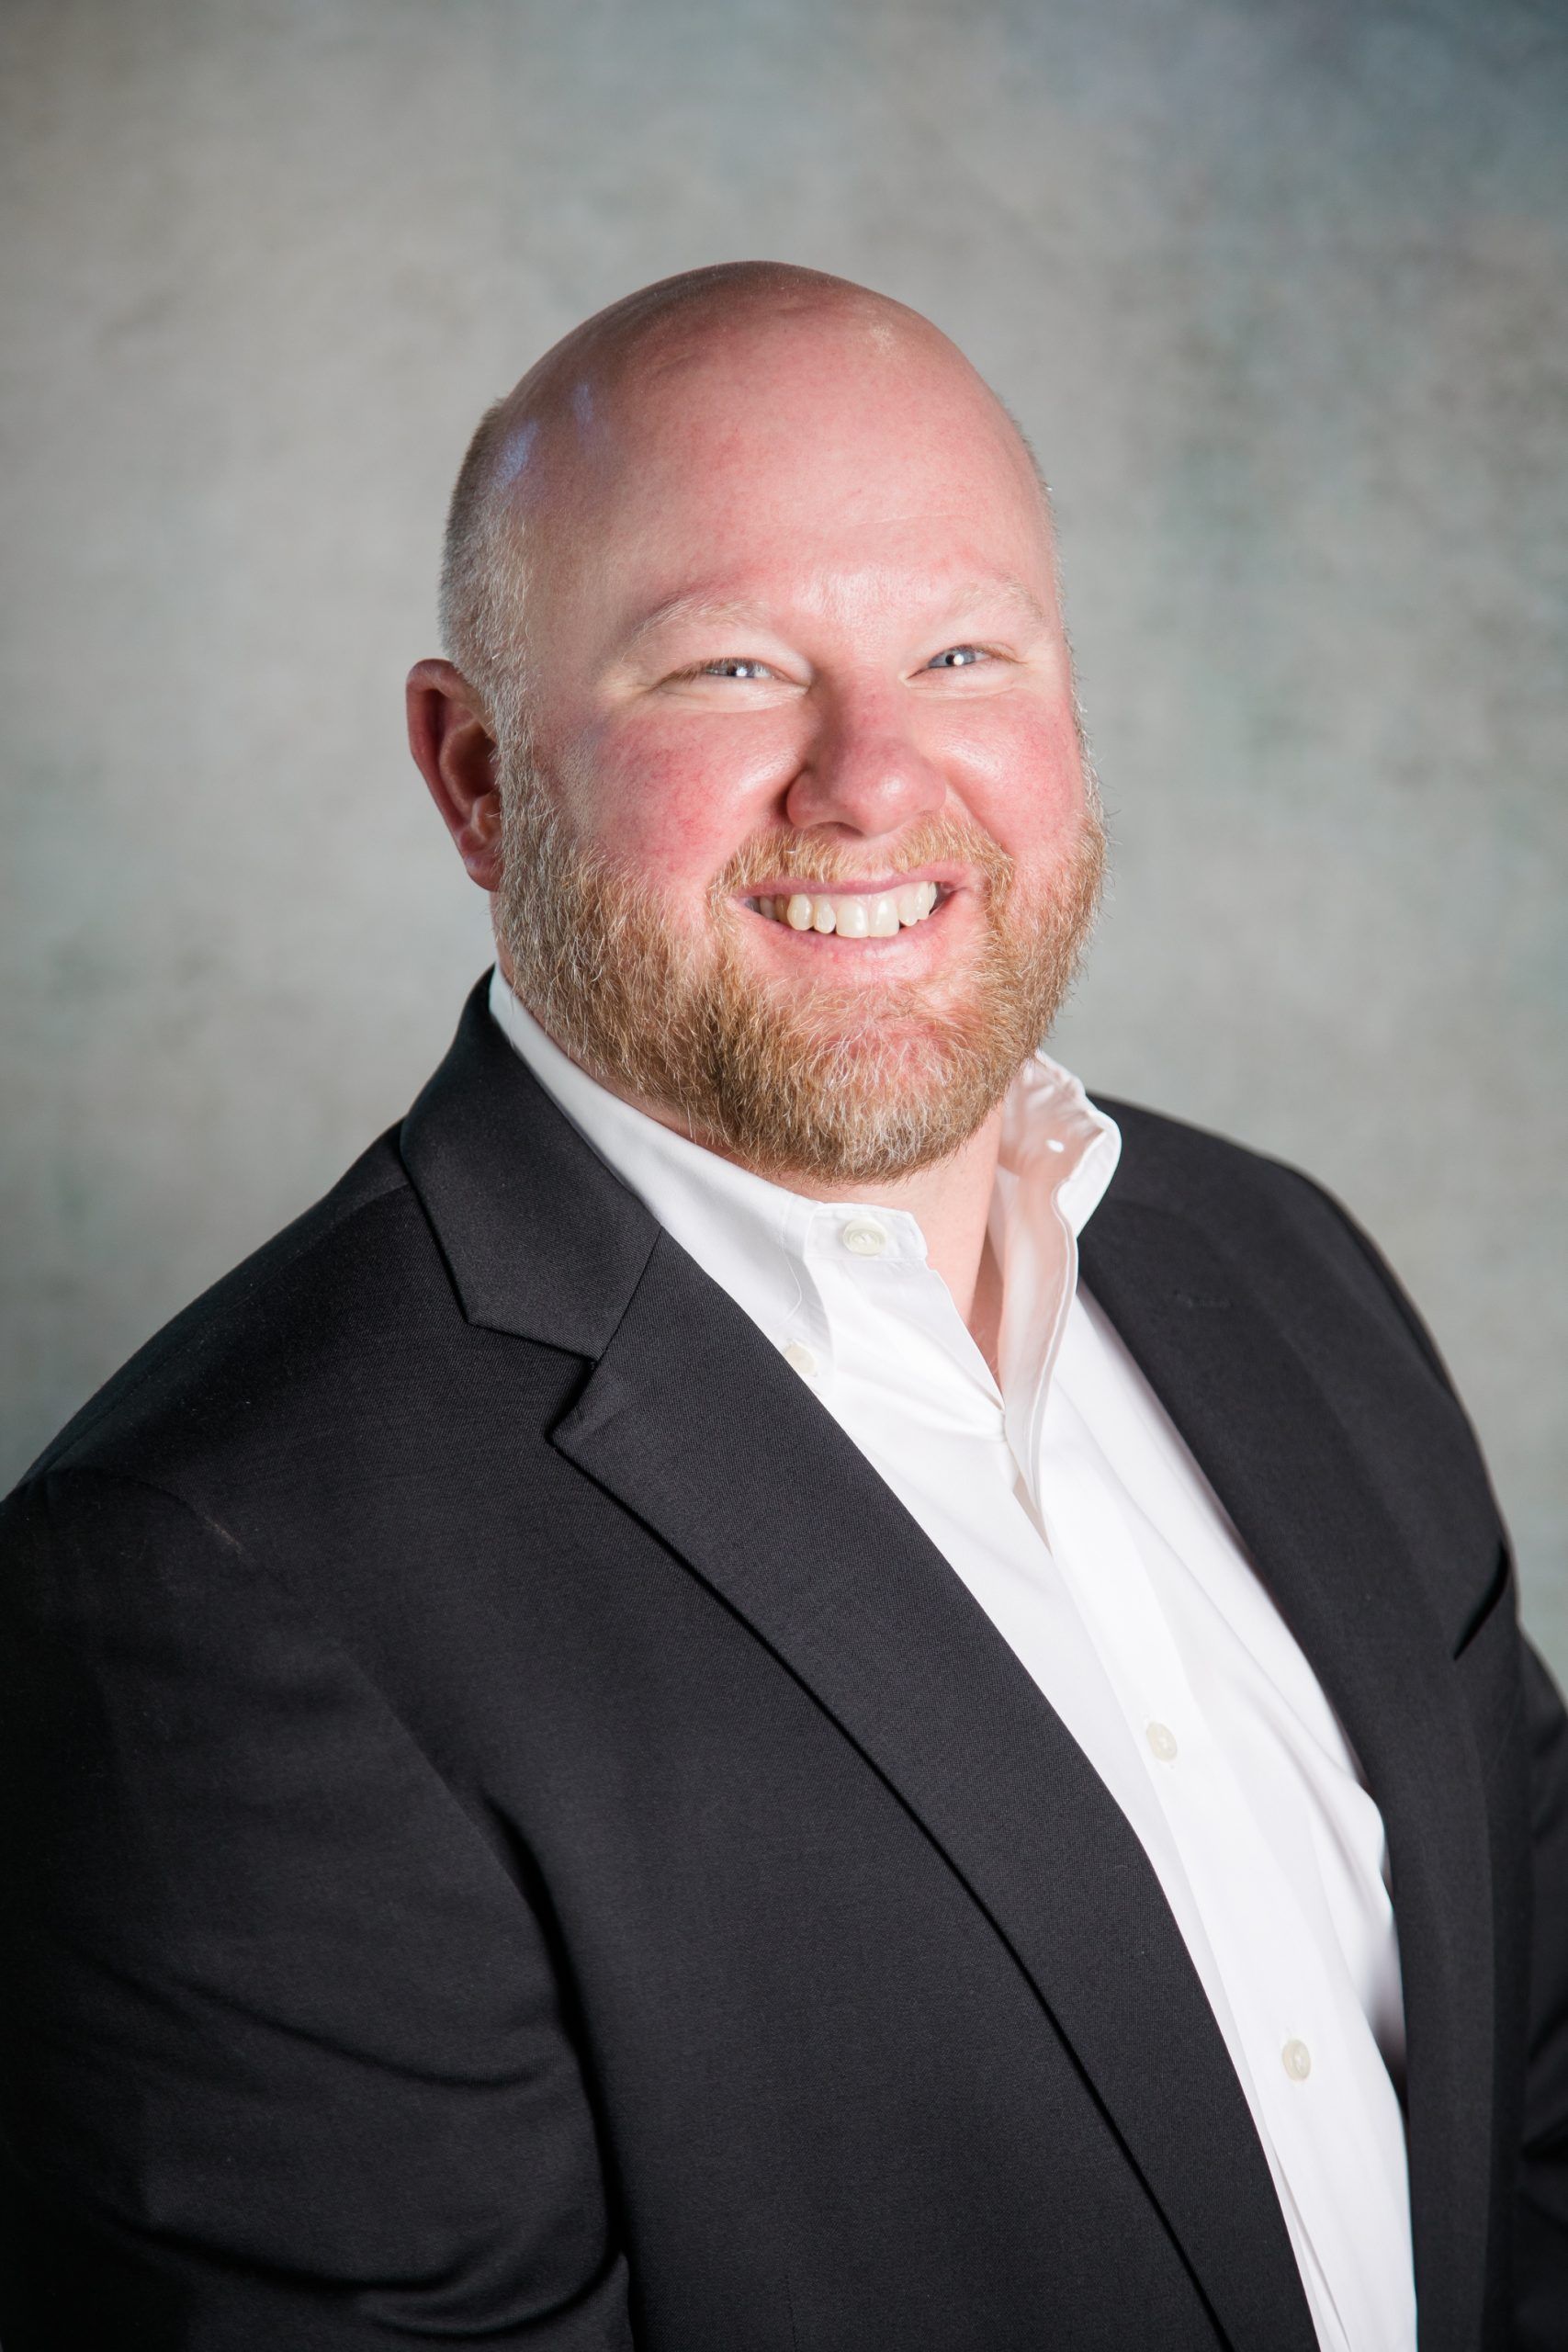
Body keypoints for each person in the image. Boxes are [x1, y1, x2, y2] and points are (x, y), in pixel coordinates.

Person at [0, 261, 1562, 2352]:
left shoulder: (1273, 1269)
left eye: (959, 650)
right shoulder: (209, 1593)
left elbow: (1528, 2122)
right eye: (728, 668)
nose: (869, 777)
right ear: (473, 775)